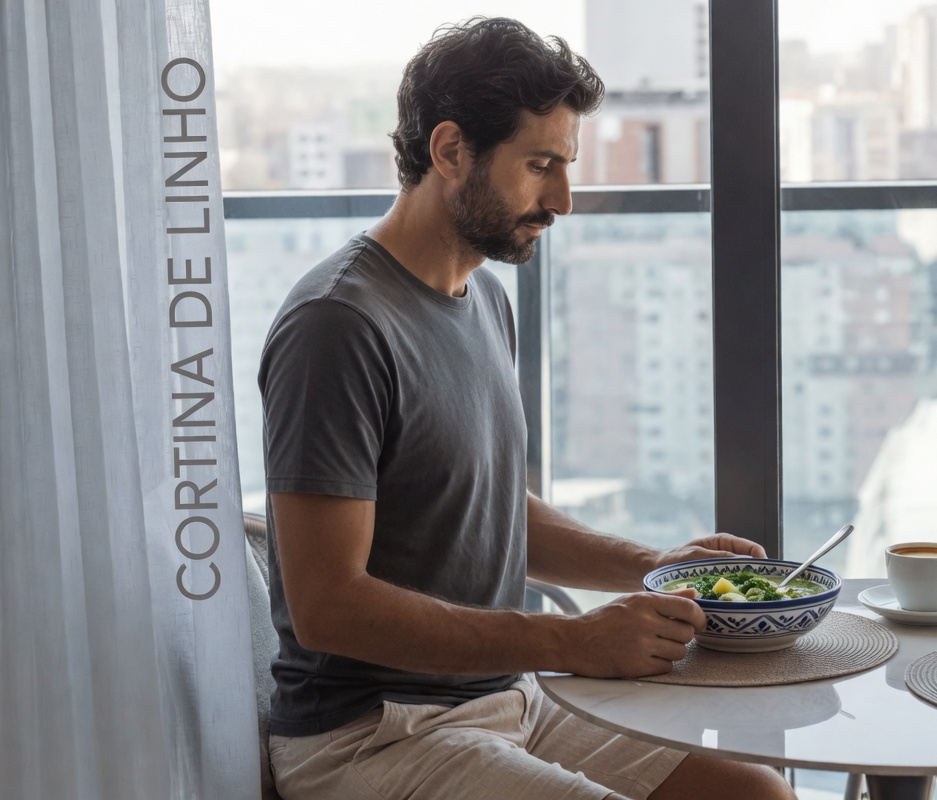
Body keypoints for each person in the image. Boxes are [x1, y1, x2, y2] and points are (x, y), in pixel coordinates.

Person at [258, 17, 796, 800]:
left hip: (503, 696)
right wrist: (571, 639)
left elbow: (486, 506)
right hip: (371, 735)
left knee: (757, 794)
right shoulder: (337, 325)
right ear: (450, 151)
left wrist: (649, 569)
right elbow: (327, 607)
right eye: (540, 165)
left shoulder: (481, 299)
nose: (564, 201)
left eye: (565, 166)